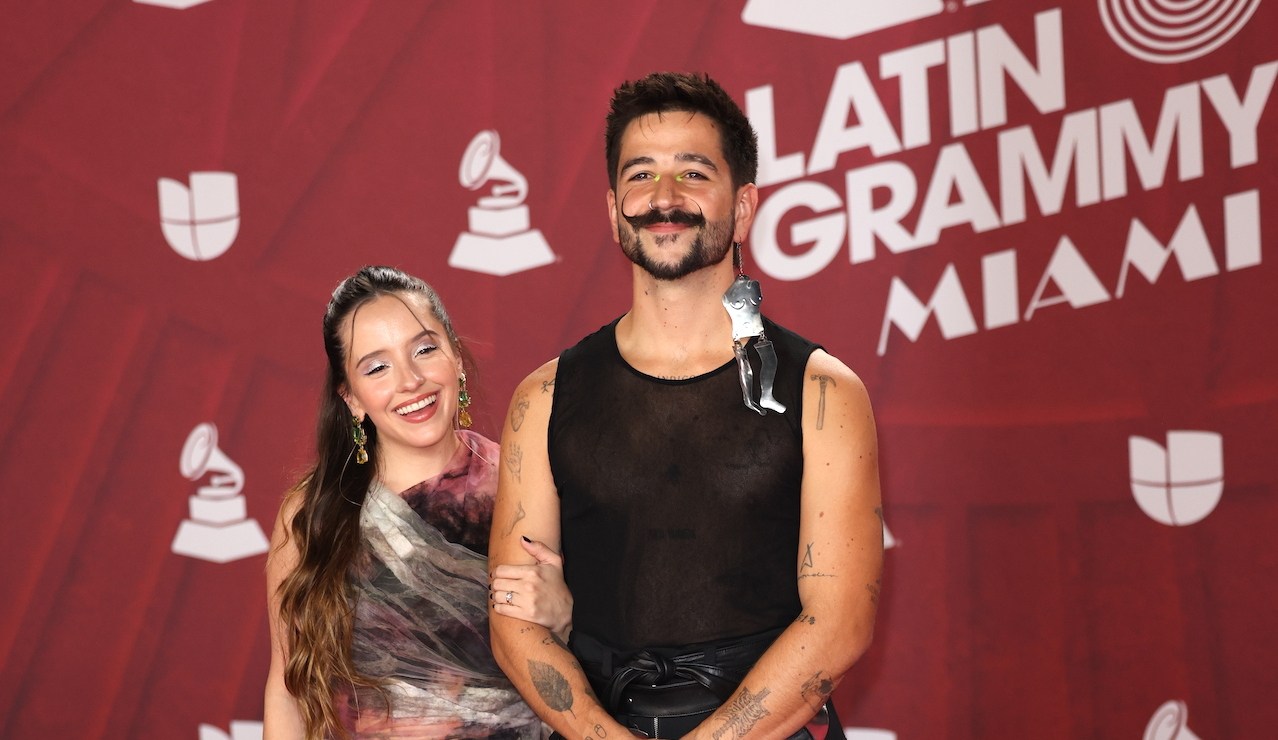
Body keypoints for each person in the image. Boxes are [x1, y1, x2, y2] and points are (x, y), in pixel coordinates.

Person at [488, 72, 883, 739]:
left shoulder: (824, 393)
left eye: (694, 174)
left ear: (745, 207)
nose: (664, 197)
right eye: (640, 175)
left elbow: (839, 623)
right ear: (613, 208)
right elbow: (513, 622)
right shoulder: (544, 398)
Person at [265, 266, 572, 739]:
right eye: (377, 367)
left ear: (456, 358)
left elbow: (595, 674)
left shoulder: (527, 489)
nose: (410, 380)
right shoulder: (312, 515)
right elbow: (288, 694)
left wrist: (567, 619)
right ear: (351, 398)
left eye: (425, 350)